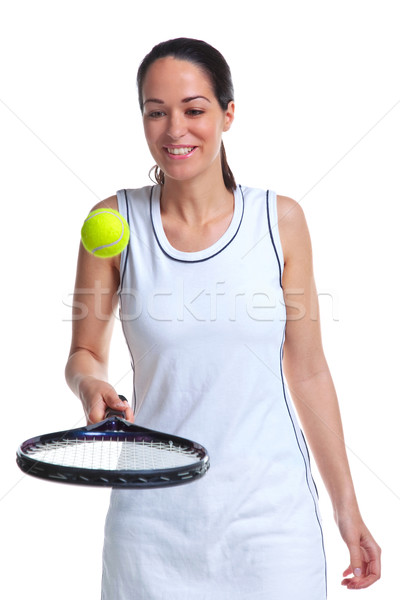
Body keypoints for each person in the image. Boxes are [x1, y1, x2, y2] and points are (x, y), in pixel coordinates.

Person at [65, 38, 381, 599]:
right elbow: (85, 354)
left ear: (227, 113)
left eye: (194, 109)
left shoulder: (279, 220)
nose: (174, 130)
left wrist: (347, 510)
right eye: (155, 112)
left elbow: (307, 373)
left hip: (270, 524)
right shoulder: (113, 222)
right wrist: (91, 383)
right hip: (150, 526)